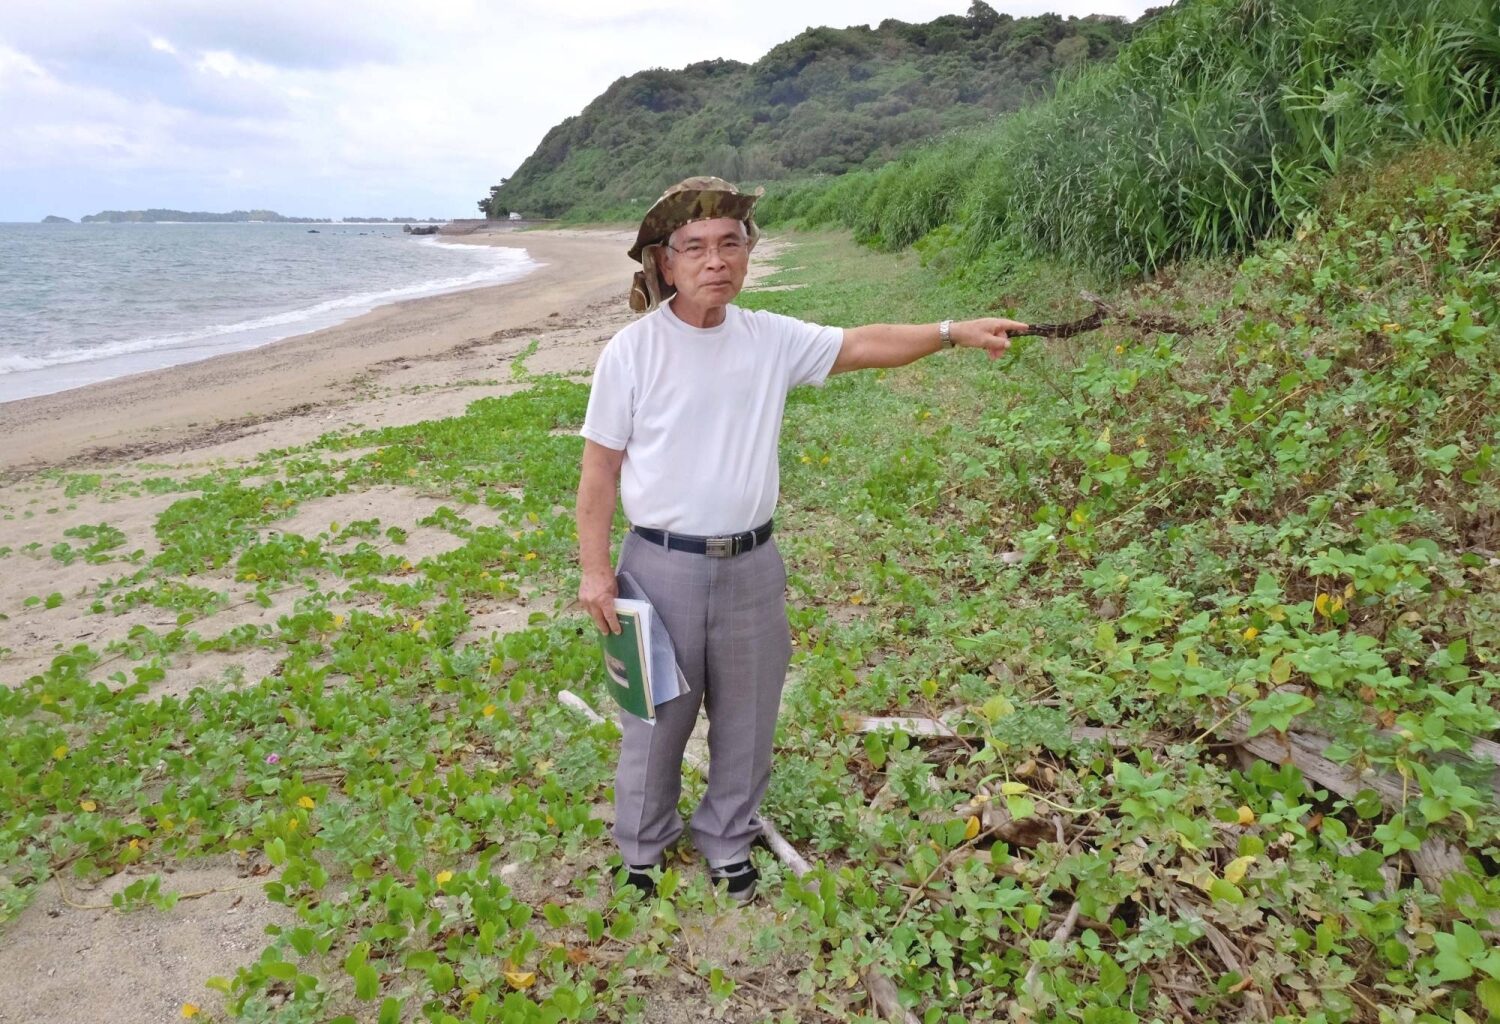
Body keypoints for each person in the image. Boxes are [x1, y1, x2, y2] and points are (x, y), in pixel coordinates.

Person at [575, 176, 1025, 902]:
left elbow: (865, 343)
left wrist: (953, 333)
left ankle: (726, 837)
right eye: (695, 248)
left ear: (747, 255)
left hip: (753, 563)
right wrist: (596, 572)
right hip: (659, 565)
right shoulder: (632, 352)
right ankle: (642, 845)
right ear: (664, 263)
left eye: (731, 243)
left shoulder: (770, 339)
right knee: (656, 717)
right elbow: (599, 471)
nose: (715, 260)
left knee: (749, 714)